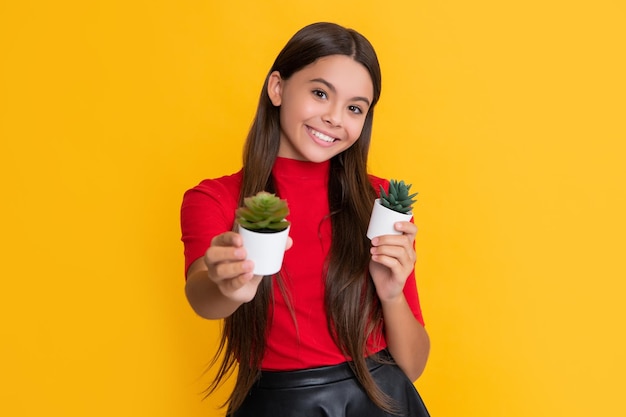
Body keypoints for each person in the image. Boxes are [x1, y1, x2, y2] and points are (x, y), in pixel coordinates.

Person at [181, 22, 430, 417]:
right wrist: (228, 284)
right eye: (319, 93)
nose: (334, 117)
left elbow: (412, 367)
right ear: (277, 88)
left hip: (385, 400)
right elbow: (202, 298)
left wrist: (392, 293)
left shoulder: (380, 201)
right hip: (280, 405)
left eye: (354, 108)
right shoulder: (215, 198)